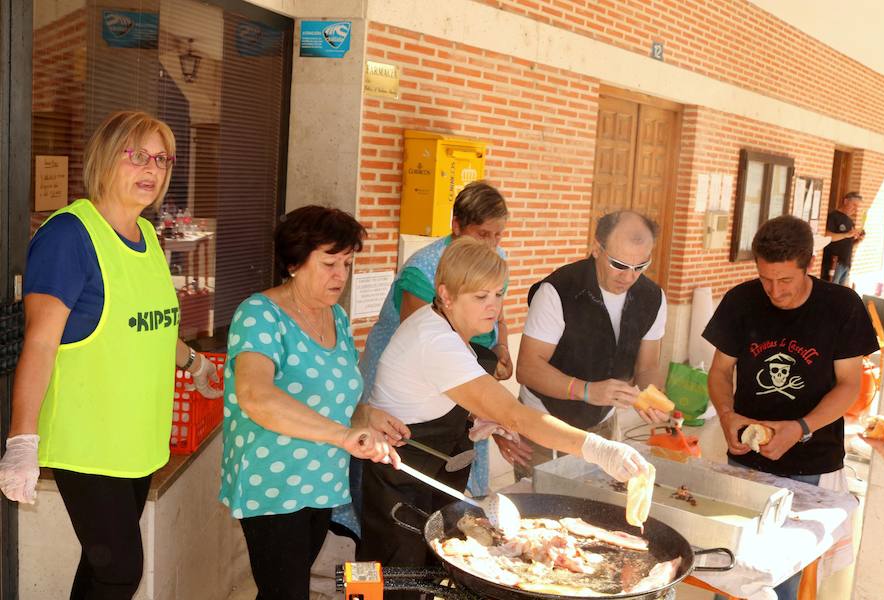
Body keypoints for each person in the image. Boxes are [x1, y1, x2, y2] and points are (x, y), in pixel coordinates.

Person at [0, 111, 222, 599]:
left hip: (135, 441)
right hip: (88, 441)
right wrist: (22, 440)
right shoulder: (70, 236)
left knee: (102, 567)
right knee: (121, 569)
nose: (153, 168)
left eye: (162, 159)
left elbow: (151, 327)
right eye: (138, 155)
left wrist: (194, 362)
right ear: (105, 157)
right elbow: (40, 341)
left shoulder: (147, 238)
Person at [357, 237, 652, 597]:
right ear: (446, 295)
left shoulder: (446, 325)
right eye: (480, 297)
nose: (493, 308)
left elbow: (445, 394)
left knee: (426, 576)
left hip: (427, 474)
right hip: (397, 479)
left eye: (498, 294)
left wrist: (477, 420)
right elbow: (517, 415)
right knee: (385, 578)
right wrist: (598, 449)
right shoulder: (435, 341)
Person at [219, 205, 405, 599]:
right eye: (329, 263)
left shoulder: (335, 316)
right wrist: (342, 435)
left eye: (347, 263)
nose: (341, 275)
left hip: (321, 482)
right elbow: (256, 396)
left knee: (283, 590)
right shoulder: (259, 315)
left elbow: (337, 396)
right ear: (294, 263)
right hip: (272, 484)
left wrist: (367, 416)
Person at [334, 180, 526, 536]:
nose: (493, 245)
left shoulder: (493, 259)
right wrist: (490, 407)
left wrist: (501, 349)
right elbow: (434, 354)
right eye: (483, 234)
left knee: (440, 515)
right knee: (393, 528)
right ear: (456, 225)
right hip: (414, 401)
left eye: (499, 236)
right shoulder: (424, 271)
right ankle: (366, 584)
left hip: (458, 390)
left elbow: (497, 315)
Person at [702, 215, 879, 600]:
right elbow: (719, 372)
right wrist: (728, 416)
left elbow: (851, 385)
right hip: (746, 461)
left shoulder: (841, 305)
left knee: (782, 582)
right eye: (765, 279)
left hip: (811, 465)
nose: (774, 291)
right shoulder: (741, 300)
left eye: (785, 280)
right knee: (730, 570)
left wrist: (800, 427)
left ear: (809, 265)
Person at [514, 210, 669, 477]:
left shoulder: (653, 297)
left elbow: (647, 366)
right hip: (545, 422)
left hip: (604, 425)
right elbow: (528, 368)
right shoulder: (557, 290)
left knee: (597, 508)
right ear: (597, 248)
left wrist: (652, 395)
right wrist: (586, 390)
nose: (629, 277)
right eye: (619, 265)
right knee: (540, 512)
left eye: (640, 266)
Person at [820, 191, 864, 285]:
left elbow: (848, 244)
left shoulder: (850, 221)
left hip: (846, 264)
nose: (855, 209)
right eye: (854, 205)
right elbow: (827, 236)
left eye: (857, 207)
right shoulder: (833, 216)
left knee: (840, 295)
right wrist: (846, 234)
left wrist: (858, 241)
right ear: (845, 201)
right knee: (832, 292)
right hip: (834, 263)